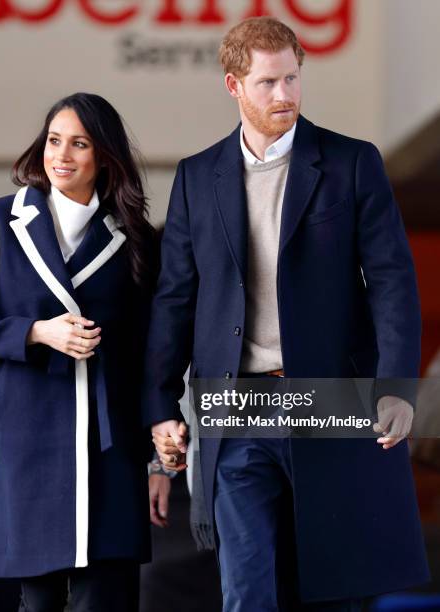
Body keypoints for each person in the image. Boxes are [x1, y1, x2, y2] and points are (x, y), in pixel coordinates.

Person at [142, 17, 430, 612]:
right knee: (246, 592)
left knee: (332, 591)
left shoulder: (352, 163)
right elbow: (175, 298)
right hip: (238, 408)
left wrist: (397, 388)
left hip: (332, 402)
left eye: (293, 78)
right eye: (269, 82)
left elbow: (393, 282)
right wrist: (161, 408)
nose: (286, 95)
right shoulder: (198, 177)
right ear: (234, 86)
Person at [0, 92, 162, 612]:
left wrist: (160, 450)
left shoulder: (133, 240)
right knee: (36, 601)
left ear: (104, 157)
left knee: (106, 598)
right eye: (54, 140)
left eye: (79, 144)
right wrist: (37, 333)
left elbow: (149, 353)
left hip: (109, 449)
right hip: (28, 443)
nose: (61, 155)